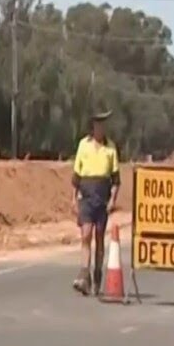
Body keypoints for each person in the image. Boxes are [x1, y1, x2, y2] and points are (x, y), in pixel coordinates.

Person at [71, 109, 121, 295]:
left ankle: (97, 274)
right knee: (86, 234)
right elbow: (76, 175)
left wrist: (112, 200)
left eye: (103, 125)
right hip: (86, 196)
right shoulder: (83, 145)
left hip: (102, 196)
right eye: (97, 125)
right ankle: (84, 274)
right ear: (93, 127)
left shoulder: (111, 148)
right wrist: (73, 198)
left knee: (99, 237)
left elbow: (116, 179)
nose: (100, 128)